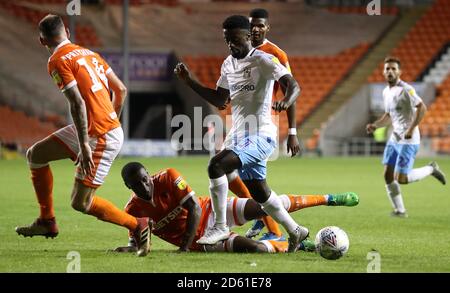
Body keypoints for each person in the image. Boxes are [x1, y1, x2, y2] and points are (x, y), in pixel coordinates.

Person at [15, 14, 150, 256]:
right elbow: (120, 89)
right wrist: (111, 120)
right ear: (66, 30)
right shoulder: (89, 54)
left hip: (98, 135)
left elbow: (76, 103)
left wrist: (88, 143)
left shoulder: (56, 60)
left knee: (81, 203)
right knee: (36, 154)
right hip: (94, 129)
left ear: (41, 41)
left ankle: (137, 224)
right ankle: (47, 220)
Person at [174, 15, 307, 252]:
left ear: (248, 37)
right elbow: (220, 99)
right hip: (237, 135)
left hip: (261, 135)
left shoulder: (264, 60)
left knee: (216, 165)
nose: (231, 45)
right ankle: (296, 231)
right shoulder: (228, 63)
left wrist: (286, 101)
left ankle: (220, 225)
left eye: (235, 40)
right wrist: (190, 82)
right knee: (260, 193)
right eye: (227, 41)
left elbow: (294, 85)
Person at [113, 162, 359, 253]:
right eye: (137, 183)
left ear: (149, 175)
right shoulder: (133, 210)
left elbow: (194, 209)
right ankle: (291, 245)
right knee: (252, 248)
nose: (145, 185)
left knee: (265, 205)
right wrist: (129, 248)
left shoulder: (167, 176)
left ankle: (328, 198)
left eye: (145, 178)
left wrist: (184, 246)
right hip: (203, 240)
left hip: (211, 210)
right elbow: (137, 239)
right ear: (127, 185)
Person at [244, 8, 301, 241]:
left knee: (233, 172)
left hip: (263, 124)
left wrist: (293, 132)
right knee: (250, 180)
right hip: (240, 122)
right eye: (252, 25)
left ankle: (269, 222)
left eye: (260, 25)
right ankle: (266, 219)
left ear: (267, 28)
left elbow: (291, 89)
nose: (255, 29)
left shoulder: (276, 53)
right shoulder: (240, 50)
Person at [366, 56, 446, 217]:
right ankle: (400, 210)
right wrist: (375, 125)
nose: (390, 71)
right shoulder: (386, 91)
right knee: (388, 175)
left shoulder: (406, 89)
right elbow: (389, 114)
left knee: (402, 178)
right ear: (383, 72)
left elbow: (422, 108)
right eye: (387, 68)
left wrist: (411, 128)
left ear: (399, 72)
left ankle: (431, 169)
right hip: (395, 137)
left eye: (393, 68)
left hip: (408, 140)